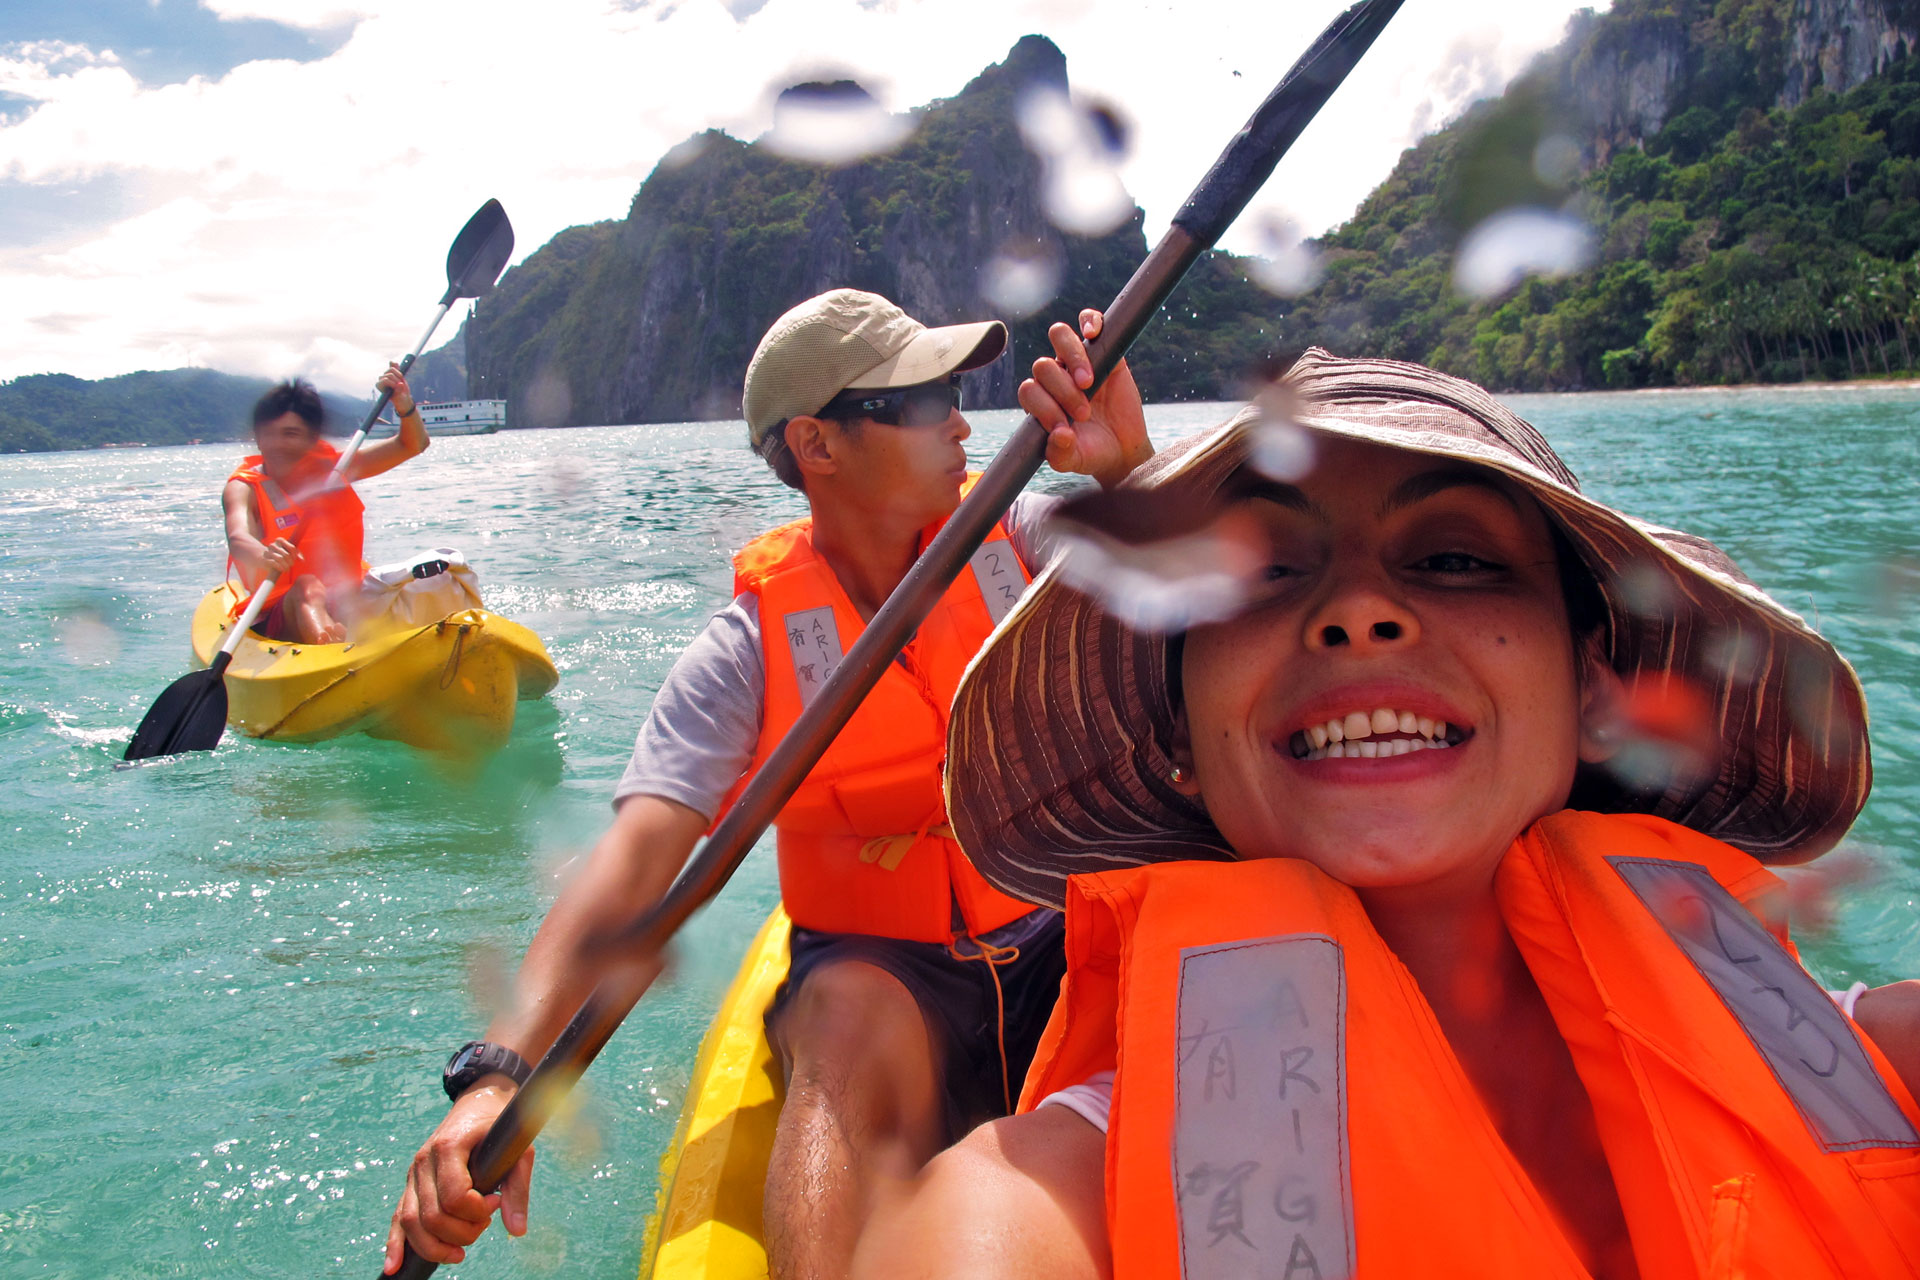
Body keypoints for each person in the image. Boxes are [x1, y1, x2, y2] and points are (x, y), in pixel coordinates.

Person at [854, 346, 1920, 1278]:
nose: (1359, 613)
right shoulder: (1036, 1201)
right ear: (1179, 733)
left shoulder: (1883, 1060)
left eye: (1455, 557)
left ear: (1596, 687)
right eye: (1264, 571)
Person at [383, 289, 1152, 1278]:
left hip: (1055, 940)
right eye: (923, 401)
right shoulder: (745, 651)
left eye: (957, 393)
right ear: (816, 444)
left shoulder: (1032, 540)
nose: (963, 421)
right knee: (840, 1014)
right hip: (890, 987)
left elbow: (1228, 607)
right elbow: (634, 866)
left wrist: (1130, 470)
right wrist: (501, 1073)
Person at [222, 364, 429, 644]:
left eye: (290, 434)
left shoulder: (334, 470)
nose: (277, 444)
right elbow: (238, 537)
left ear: (310, 439)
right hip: (278, 612)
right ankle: (329, 646)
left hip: (347, 601)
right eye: (268, 434)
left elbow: (412, 445)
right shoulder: (244, 486)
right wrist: (264, 555)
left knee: (439, 573)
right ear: (257, 438)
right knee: (308, 586)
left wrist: (404, 405)